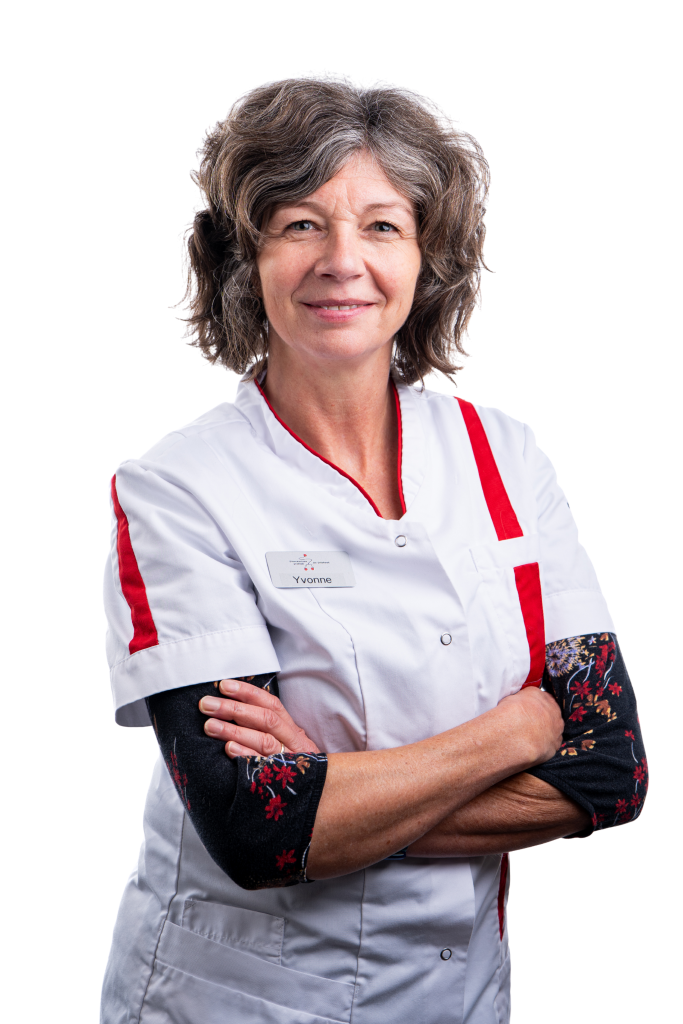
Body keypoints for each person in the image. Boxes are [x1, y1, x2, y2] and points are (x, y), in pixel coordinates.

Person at [100, 73, 648, 1024]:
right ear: (244, 258)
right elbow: (253, 829)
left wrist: (327, 797)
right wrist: (515, 733)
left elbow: (611, 771)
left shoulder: (504, 455)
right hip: (241, 1004)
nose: (341, 261)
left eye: (383, 226)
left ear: (429, 260)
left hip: (464, 993)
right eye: (299, 225)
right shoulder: (176, 488)